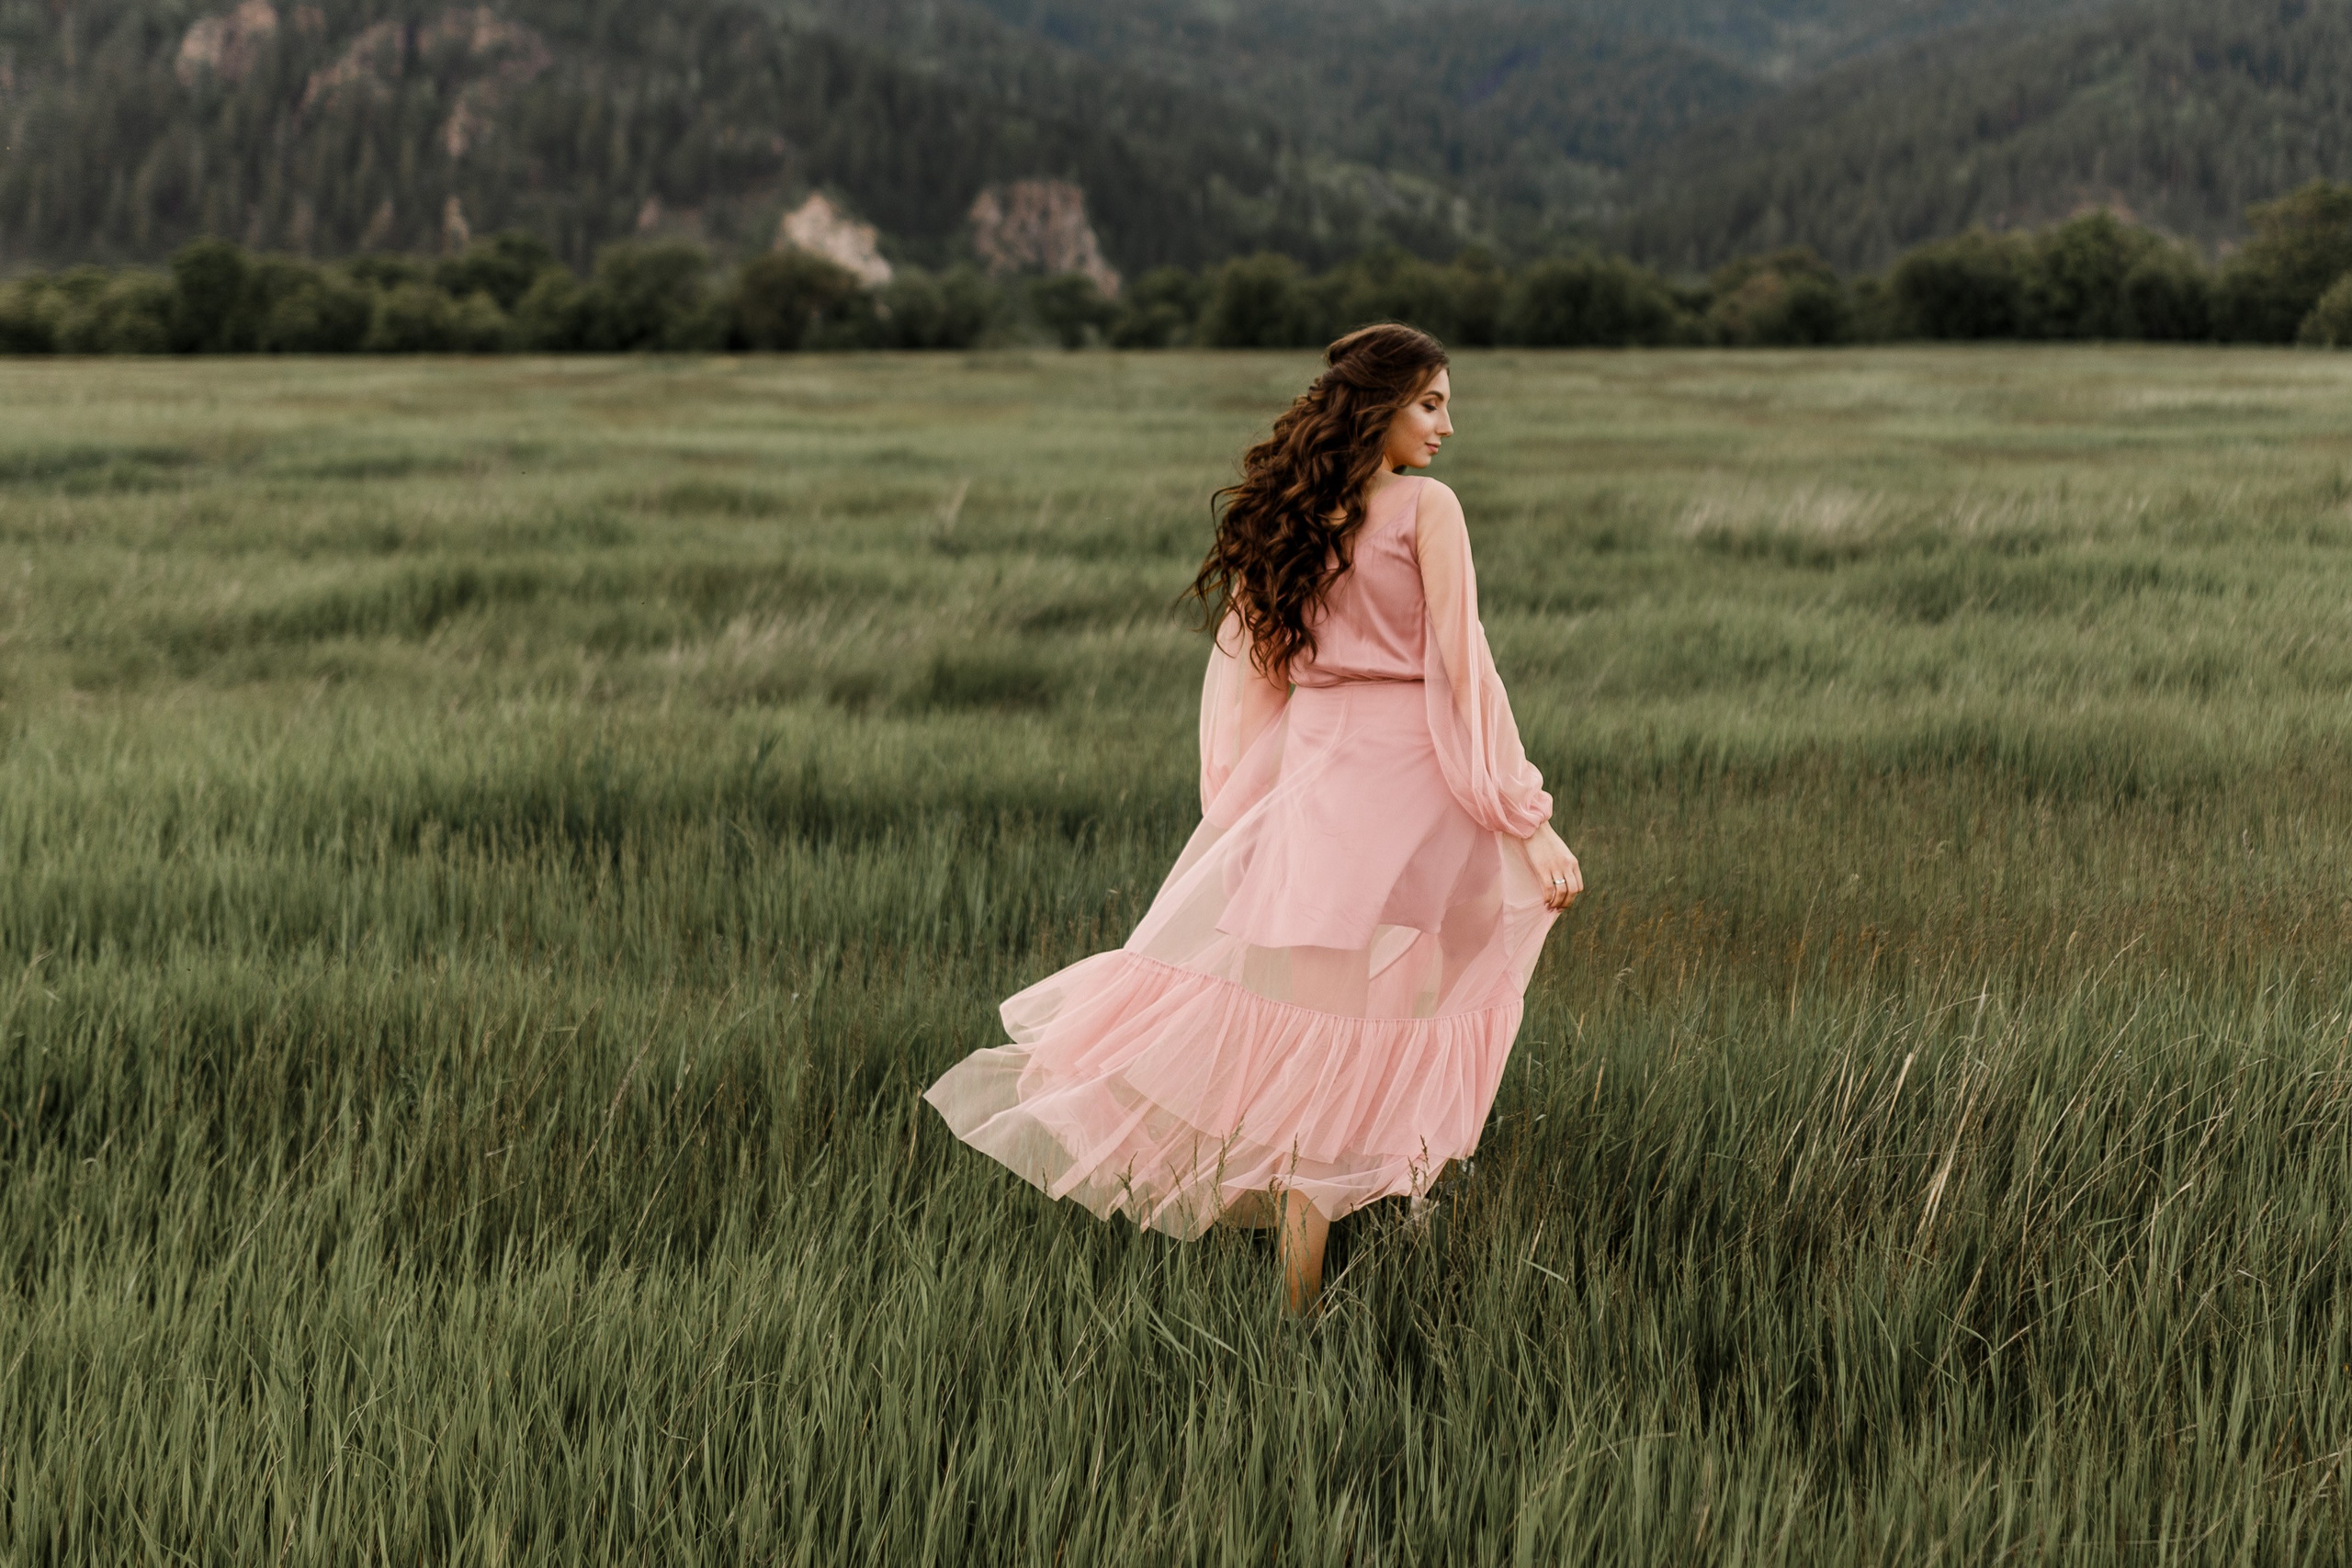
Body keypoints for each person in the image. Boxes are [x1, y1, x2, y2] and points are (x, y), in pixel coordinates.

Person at [924, 323, 1581, 1313]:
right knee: (1442, 979)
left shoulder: (1289, 516)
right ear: (1378, 407)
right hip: (1414, 782)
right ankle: (1400, 1195)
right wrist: (1527, 820)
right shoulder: (1425, 509)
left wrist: (1244, 809)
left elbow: (1254, 678)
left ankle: (1309, 1282)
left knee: (1320, 1031)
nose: (1448, 425)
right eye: (1431, 402)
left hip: (1314, 783)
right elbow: (1461, 669)